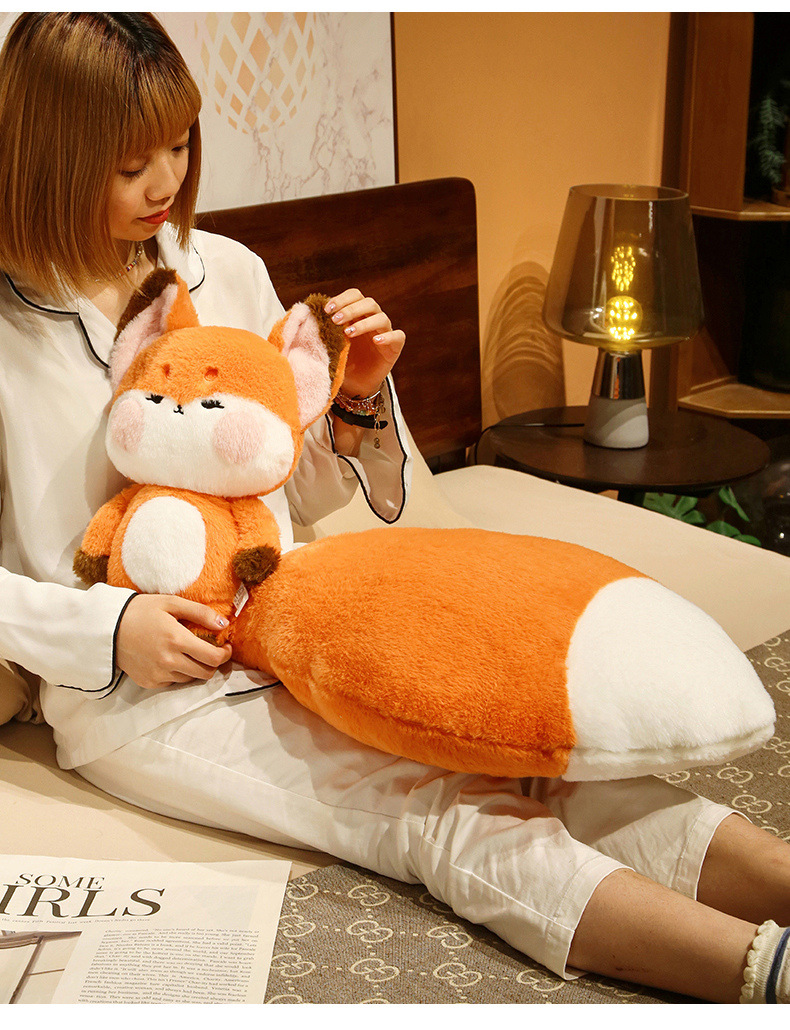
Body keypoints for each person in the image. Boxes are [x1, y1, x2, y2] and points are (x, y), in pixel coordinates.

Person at [0, 12, 788, 1006]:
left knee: (547, 764)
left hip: (297, 616)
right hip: (140, 693)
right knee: (436, 811)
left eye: (180, 146)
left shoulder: (226, 269)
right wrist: (114, 628)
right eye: (130, 164)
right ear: (52, 158)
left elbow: (290, 486)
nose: (166, 183)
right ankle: (761, 978)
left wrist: (358, 399)